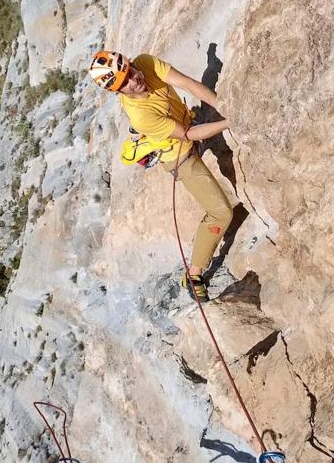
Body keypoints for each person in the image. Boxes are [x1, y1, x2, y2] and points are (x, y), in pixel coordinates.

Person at [89, 50, 233, 301]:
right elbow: (187, 134)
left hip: (188, 123)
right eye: (127, 83)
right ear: (118, 92)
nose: (135, 79)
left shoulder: (145, 63)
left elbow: (187, 83)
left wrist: (223, 106)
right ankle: (194, 273)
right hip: (180, 156)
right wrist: (230, 122)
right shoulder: (141, 116)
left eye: (131, 71)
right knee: (221, 213)